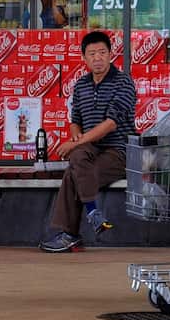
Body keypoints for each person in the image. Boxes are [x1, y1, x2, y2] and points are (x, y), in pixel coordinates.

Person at [39, 30, 136, 253]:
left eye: (102, 52)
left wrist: (74, 143)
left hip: (118, 151)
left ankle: (71, 233)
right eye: (92, 54)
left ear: (111, 55)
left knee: (73, 171)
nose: (98, 58)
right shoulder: (81, 85)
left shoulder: (124, 83)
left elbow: (111, 124)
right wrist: (75, 136)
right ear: (84, 58)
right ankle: (92, 215)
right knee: (78, 157)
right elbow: (76, 121)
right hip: (89, 150)